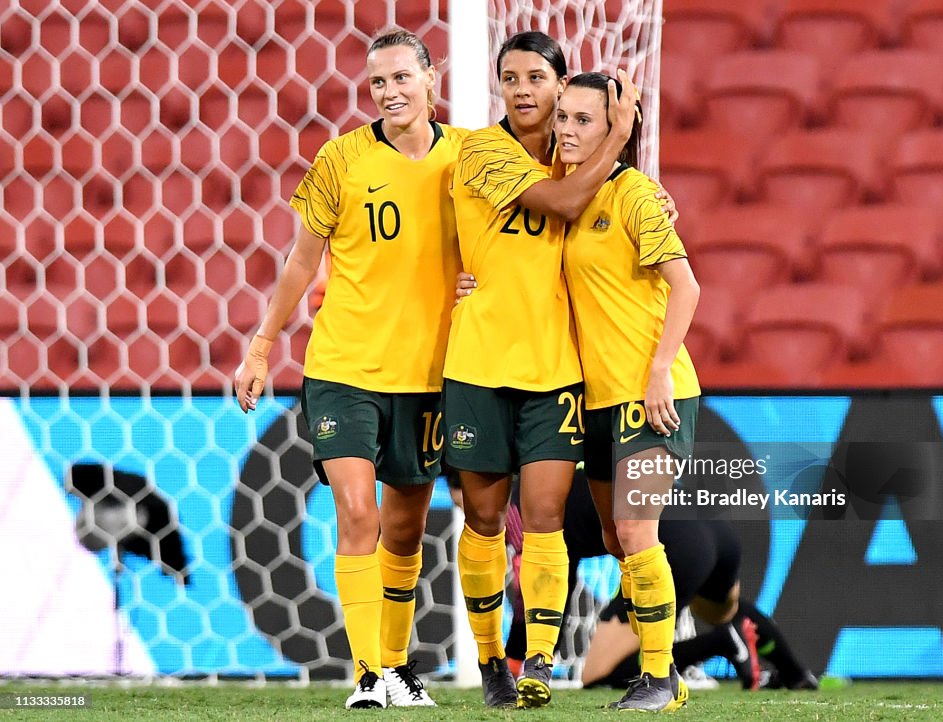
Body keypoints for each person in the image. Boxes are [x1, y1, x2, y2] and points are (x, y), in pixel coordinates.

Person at [234, 29, 468, 709]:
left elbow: (521, 235)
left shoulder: (472, 160)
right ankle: (368, 675)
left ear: (431, 77)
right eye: (378, 84)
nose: (391, 92)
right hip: (343, 368)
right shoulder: (340, 160)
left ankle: (396, 666)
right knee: (357, 512)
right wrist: (261, 345)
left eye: (402, 77)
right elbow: (302, 263)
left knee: (404, 526)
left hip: (428, 375)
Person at [442, 31, 640, 709]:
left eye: (536, 77)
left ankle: (539, 663)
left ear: (562, 86)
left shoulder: (579, 153)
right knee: (486, 520)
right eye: (510, 77)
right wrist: (617, 138)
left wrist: (645, 192)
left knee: (548, 514)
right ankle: (490, 658)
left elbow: (614, 210)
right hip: (477, 364)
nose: (522, 90)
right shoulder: (481, 150)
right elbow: (560, 204)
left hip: (554, 370)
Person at [558, 71, 701, 712]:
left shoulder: (636, 195)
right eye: (562, 116)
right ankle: (666, 671)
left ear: (617, 127)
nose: (566, 128)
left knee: (635, 530)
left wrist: (659, 369)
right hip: (593, 400)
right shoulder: (555, 200)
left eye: (583, 119)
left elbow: (687, 286)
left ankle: (657, 678)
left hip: (651, 394)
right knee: (617, 542)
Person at [496, 470, 818, 693]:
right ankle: (796, 673)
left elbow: (549, 592)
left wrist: (514, 663)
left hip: (676, 546)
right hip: (712, 528)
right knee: (721, 610)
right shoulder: (562, 471)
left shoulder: (524, 506)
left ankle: (723, 643)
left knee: (600, 675)